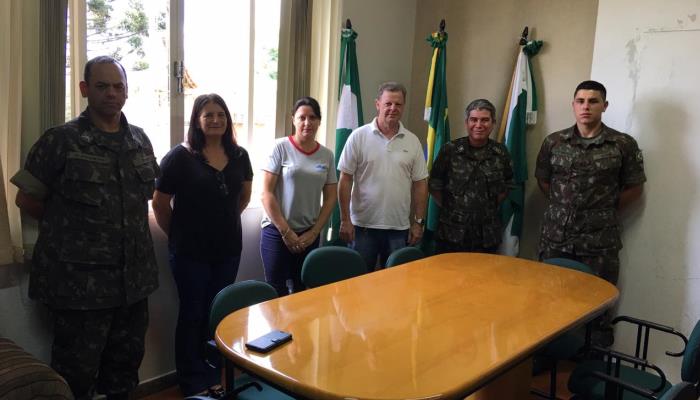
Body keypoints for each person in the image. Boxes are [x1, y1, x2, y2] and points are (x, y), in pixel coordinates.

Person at [10, 56, 159, 400]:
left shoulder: (140, 141)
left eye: (118, 86)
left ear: (126, 91)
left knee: (124, 373)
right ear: (84, 89)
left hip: (132, 285)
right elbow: (27, 201)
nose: (111, 93)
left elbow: (143, 200)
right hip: (80, 289)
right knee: (75, 377)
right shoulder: (61, 140)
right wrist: (74, 229)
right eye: (102, 86)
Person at [152, 94, 253, 396]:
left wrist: (223, 221)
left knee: (217, 314)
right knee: (192, 314)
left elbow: (244, 195)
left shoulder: (239, 155)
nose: (216, 120)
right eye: (208, 115)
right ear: (197, 119)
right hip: (189, 254)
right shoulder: (179, 157)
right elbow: (160, 203)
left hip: (227, 251)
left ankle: (214, 373)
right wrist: (179, 235)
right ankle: (192, 381)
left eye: (221, 114)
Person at [535, 80, 646, 344]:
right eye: (581, 101)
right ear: (573, 105)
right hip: (556, 238)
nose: (586, 107)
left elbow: (635, 188)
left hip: (599, 242)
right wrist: (564, 207)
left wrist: (601, 209)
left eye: (593, 101)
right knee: (547, 302)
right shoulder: (553, 142)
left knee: (597, 307)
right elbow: (544, 181)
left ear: (604, 106)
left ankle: (590, 368)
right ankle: (548, 359)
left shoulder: (622, 144)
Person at [338, 82, 429, 270]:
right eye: (388, 103)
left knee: (396, 286)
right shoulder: (358, 137)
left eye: (398, 104)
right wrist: (345, 220)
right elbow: (345, 179)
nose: (393, 109)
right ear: (378, 104)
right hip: (362, 227)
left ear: (403, 106)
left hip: (398, 229)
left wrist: (418, 222)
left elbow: (420, 184)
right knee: (359, 284)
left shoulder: (413, 141)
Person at [260, 96, 337, 296]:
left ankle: (299, 329)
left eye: (312, 118)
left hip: (309, 233)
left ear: (319, 121)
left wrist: (313, 233)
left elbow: (330, 198)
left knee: (303, 290)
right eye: (302, 117)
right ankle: (278, 329)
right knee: (275, 291)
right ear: (293, 119)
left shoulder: (327, 155)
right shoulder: (280, 147)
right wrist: (287, 233)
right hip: (277, 233)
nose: (307, 123)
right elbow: (266, 194)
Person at [429, 99, 513, 254]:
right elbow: (435, 186)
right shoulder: (450, 150)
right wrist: (454, 210)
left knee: (484, 277)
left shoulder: (501, 153)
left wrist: (483, 209)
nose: (479, 125)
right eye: (474, 119)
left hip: (487, 235)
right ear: (466, 122)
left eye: (485, 120)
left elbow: (506, 187)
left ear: (493, 123)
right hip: (452, 233)